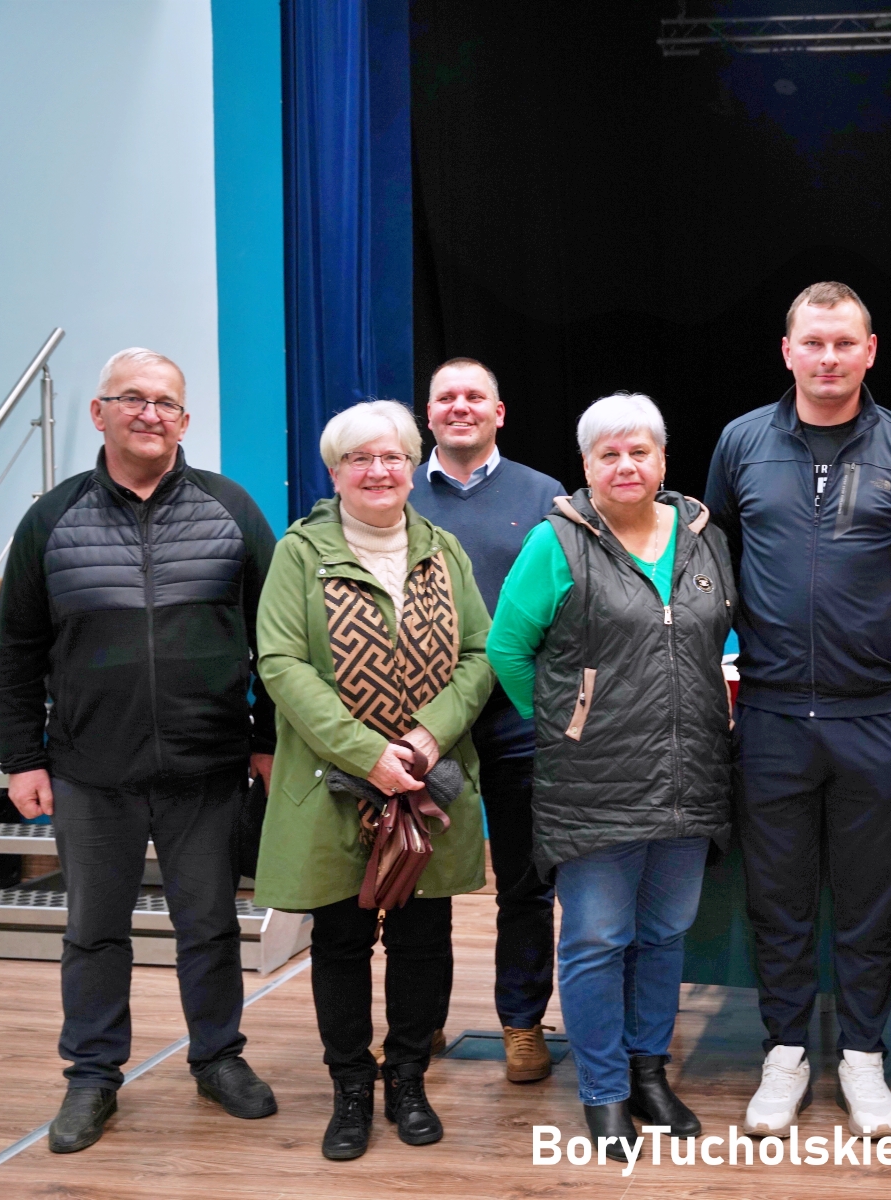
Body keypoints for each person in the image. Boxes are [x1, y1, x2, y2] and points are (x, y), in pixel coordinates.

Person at [0, 347, 280, 1153]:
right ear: (100, 412)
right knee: (93, 932)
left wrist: (267, 742)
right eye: (133, 399)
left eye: (167, 403)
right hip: (90, 771)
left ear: (185, 421)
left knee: (211, 927)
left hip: (207, 769)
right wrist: (23, 758)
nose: (151, 414)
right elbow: (15, 652)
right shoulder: (50, 520)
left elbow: (277, 641)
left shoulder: (232, 511)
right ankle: (91, 1076)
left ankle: (218, 1057)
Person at [705, 281, 891, 1139]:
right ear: (788, 351)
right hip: (771, 714)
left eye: (844, 343)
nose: (828, 358)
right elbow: (718, 562)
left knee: (869, 899)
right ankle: (784, 1051)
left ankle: (863, 1055)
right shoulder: (740, 443)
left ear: (870, 350)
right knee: (777, 899)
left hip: (875, 713)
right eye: (813, 343)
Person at [485, 392, 734, 1160]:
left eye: (639, 452)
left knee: (662, 937)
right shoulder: (555, 543)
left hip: (690, 777)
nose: (625, 466)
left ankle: (649, 1070)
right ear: (586, 465)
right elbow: (505, 650)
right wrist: (572, 725)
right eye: (608, 454)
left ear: (662, 461)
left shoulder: (703, 537)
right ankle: (603, 1092)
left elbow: (720, 635)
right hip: (592, 782)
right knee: (596, 940)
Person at [252, 400, 494, 1161]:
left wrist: (425, 739)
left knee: (425, 939)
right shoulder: (300, 552)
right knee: (342, 940)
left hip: (431, 782)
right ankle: (351, 1088)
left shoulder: (442, 548)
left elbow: (483, 655)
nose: (378, 471)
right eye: (360, 459)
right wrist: (367, 754)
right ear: (336, 473)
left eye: (392, 457)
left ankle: (409, 1079)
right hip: (334, 785)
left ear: (411, 465)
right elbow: (281, 663)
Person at [407, 357, 565, 1082]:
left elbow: (566, 610)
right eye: (447, 397)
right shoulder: (392, 488)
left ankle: (522, 1024)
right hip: (423, 724)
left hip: (516, 723)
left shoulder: (543, 495)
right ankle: (420, 1023)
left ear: (500, 413)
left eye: (475, 396)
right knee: (424, 876)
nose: (460, 406)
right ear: (428, 413)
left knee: (527, 883)